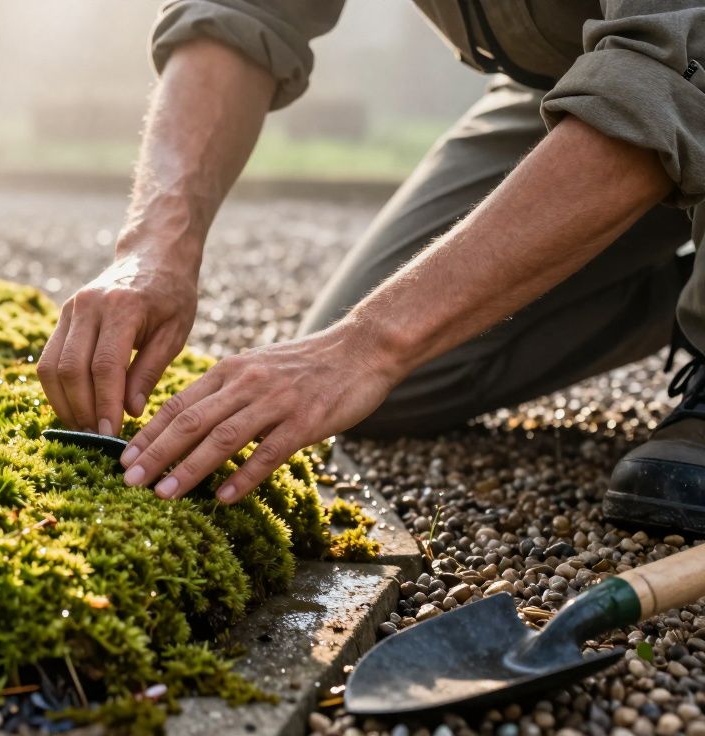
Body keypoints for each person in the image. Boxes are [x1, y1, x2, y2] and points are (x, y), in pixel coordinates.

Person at [36, 1, 705, 533]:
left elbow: (664, 73)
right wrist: (155, 249)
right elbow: (238, 10)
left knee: (373, 350)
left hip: (675, 58)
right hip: (575, 77)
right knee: (407, 379)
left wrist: (370, 341)